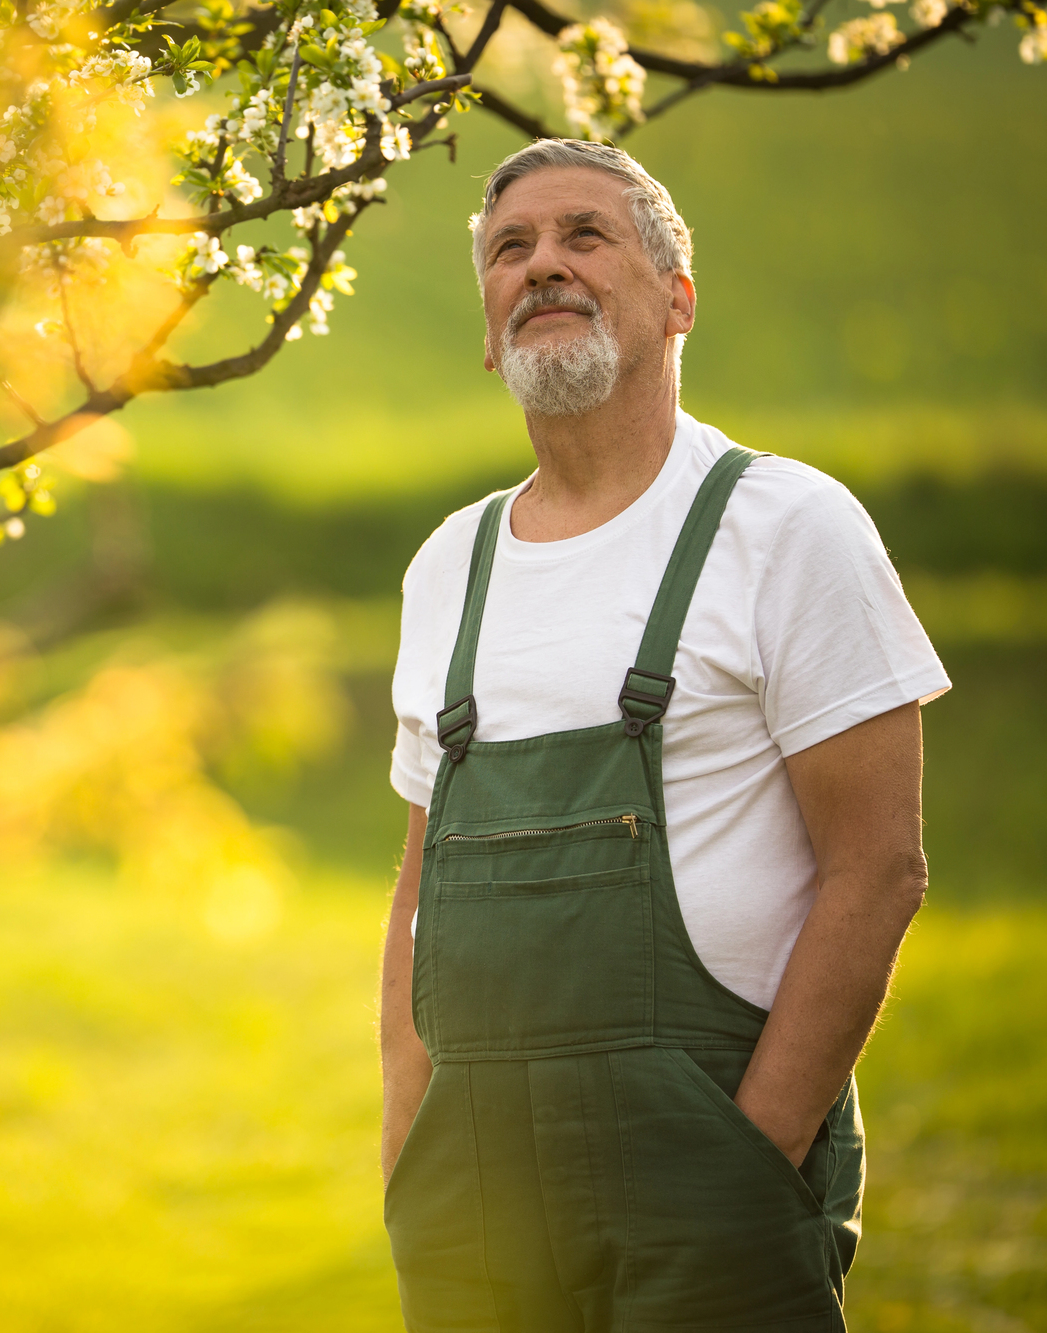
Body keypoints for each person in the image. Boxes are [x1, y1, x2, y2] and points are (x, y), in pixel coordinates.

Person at [379, 139, 949, 1332]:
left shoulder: (785, 526)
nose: (542, 265)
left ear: (676, 299)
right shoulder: (451, 566)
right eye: (509, 249)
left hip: (710, 1171)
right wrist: (405, 1150)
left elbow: (877, 867)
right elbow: (418, 885)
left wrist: (751, 1153)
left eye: (584, 236)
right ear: (486, 331)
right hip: (471, 1200)